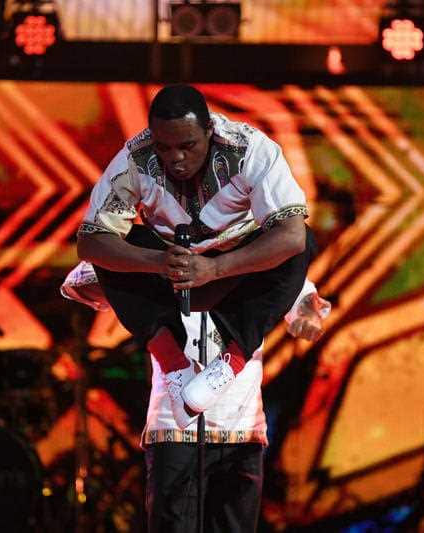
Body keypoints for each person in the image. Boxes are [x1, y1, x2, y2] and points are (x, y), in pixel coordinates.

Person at [76, 84, 314, 531]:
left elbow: (290, 238)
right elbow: (90, 239)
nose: (175, 159)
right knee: (108, 249)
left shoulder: (250, 150)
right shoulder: (134, 157)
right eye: (165, 148)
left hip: (233, 272)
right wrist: (156, 261)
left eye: (187, 146)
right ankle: (174, 361)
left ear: (210, 130)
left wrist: (218, 267)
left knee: (301, 240)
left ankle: (232, 359)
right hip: (172, 274)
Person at [61, 260, 329, 532]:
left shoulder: (259, 253)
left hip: (242, 433)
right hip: (175, 431)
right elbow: (80, 280)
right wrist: (145, 265)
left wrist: (308, 314)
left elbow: (301, 296)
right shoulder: (161, 245)